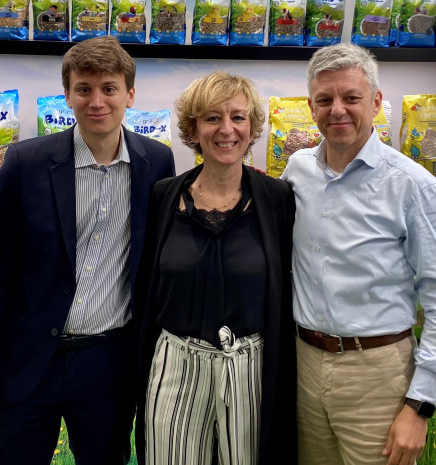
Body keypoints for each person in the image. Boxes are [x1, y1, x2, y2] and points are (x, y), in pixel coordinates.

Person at [0, 35, 175, 465]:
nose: (96, 101)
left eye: (109, 88)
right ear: (67, 95)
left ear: (130, 95)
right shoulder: (25, 162)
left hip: (108, 364)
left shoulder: (156, 164)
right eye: (84, 89)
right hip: (29, 364)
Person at [280, 43, 436, 465]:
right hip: (305, 364)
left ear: (377, 102)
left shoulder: (412, 186)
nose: (338, 110)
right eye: (325, 100)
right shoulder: (297, 170)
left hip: (379, 375)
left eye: (351, 97)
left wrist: (419, 406)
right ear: (311, 107)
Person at [135, 71, 296, 465]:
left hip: (248, 368)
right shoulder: (163, 196)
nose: (227, 130)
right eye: (212, 118)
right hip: (175, 363)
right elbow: (144, 289)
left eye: (238, 118)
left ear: (253, 127)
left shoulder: (278, 200)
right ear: (193, 129)